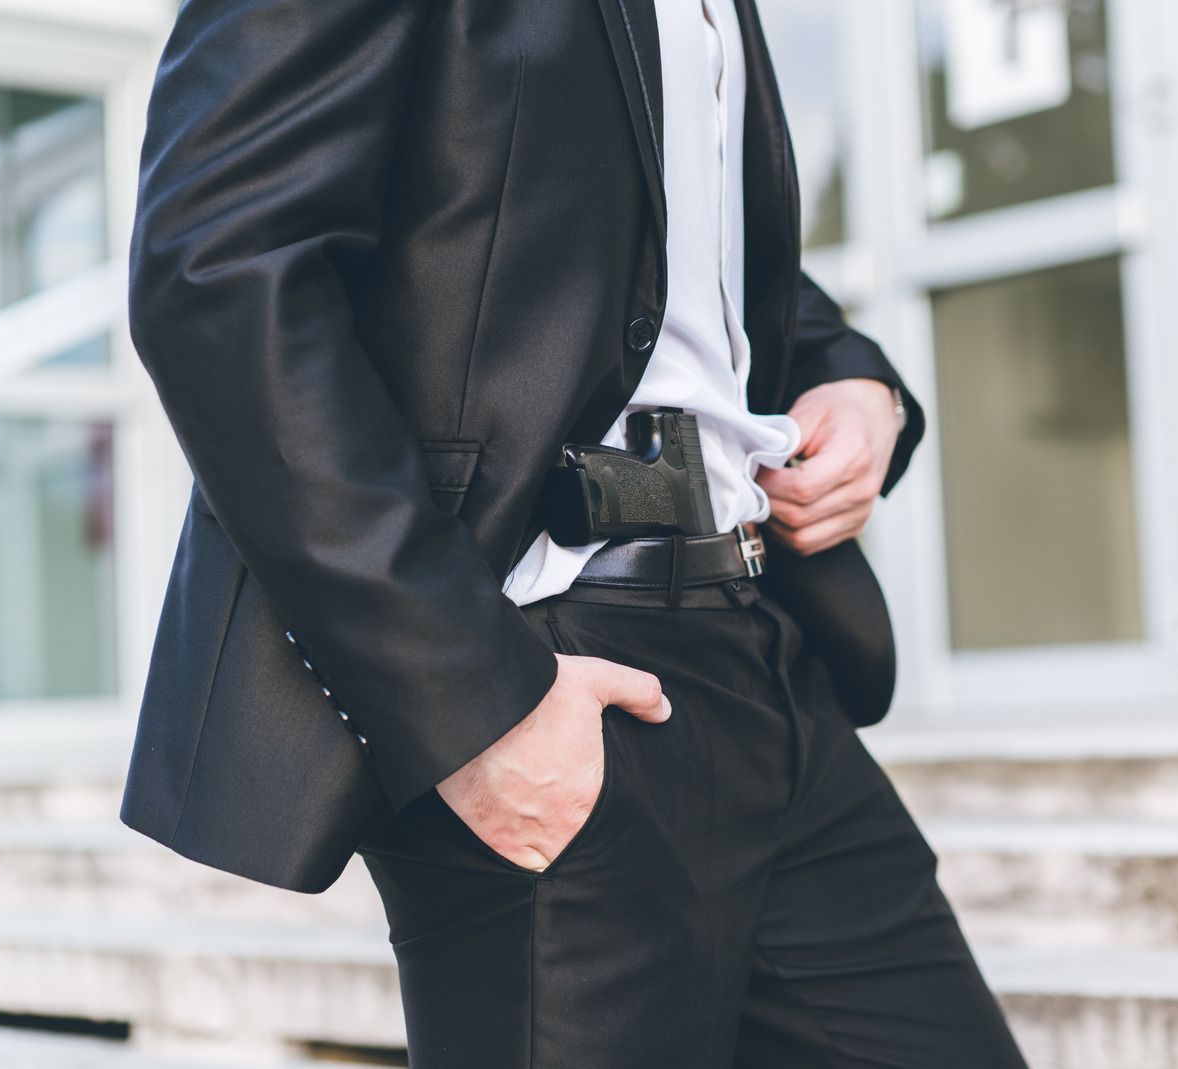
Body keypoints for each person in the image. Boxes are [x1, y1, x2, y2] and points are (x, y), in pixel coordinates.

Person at [119, 0, 1030, 1065]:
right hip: (540, 660)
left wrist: (853, 376)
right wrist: (474, 706)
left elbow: (670, 226)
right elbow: (218, 273)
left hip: (759, 640)